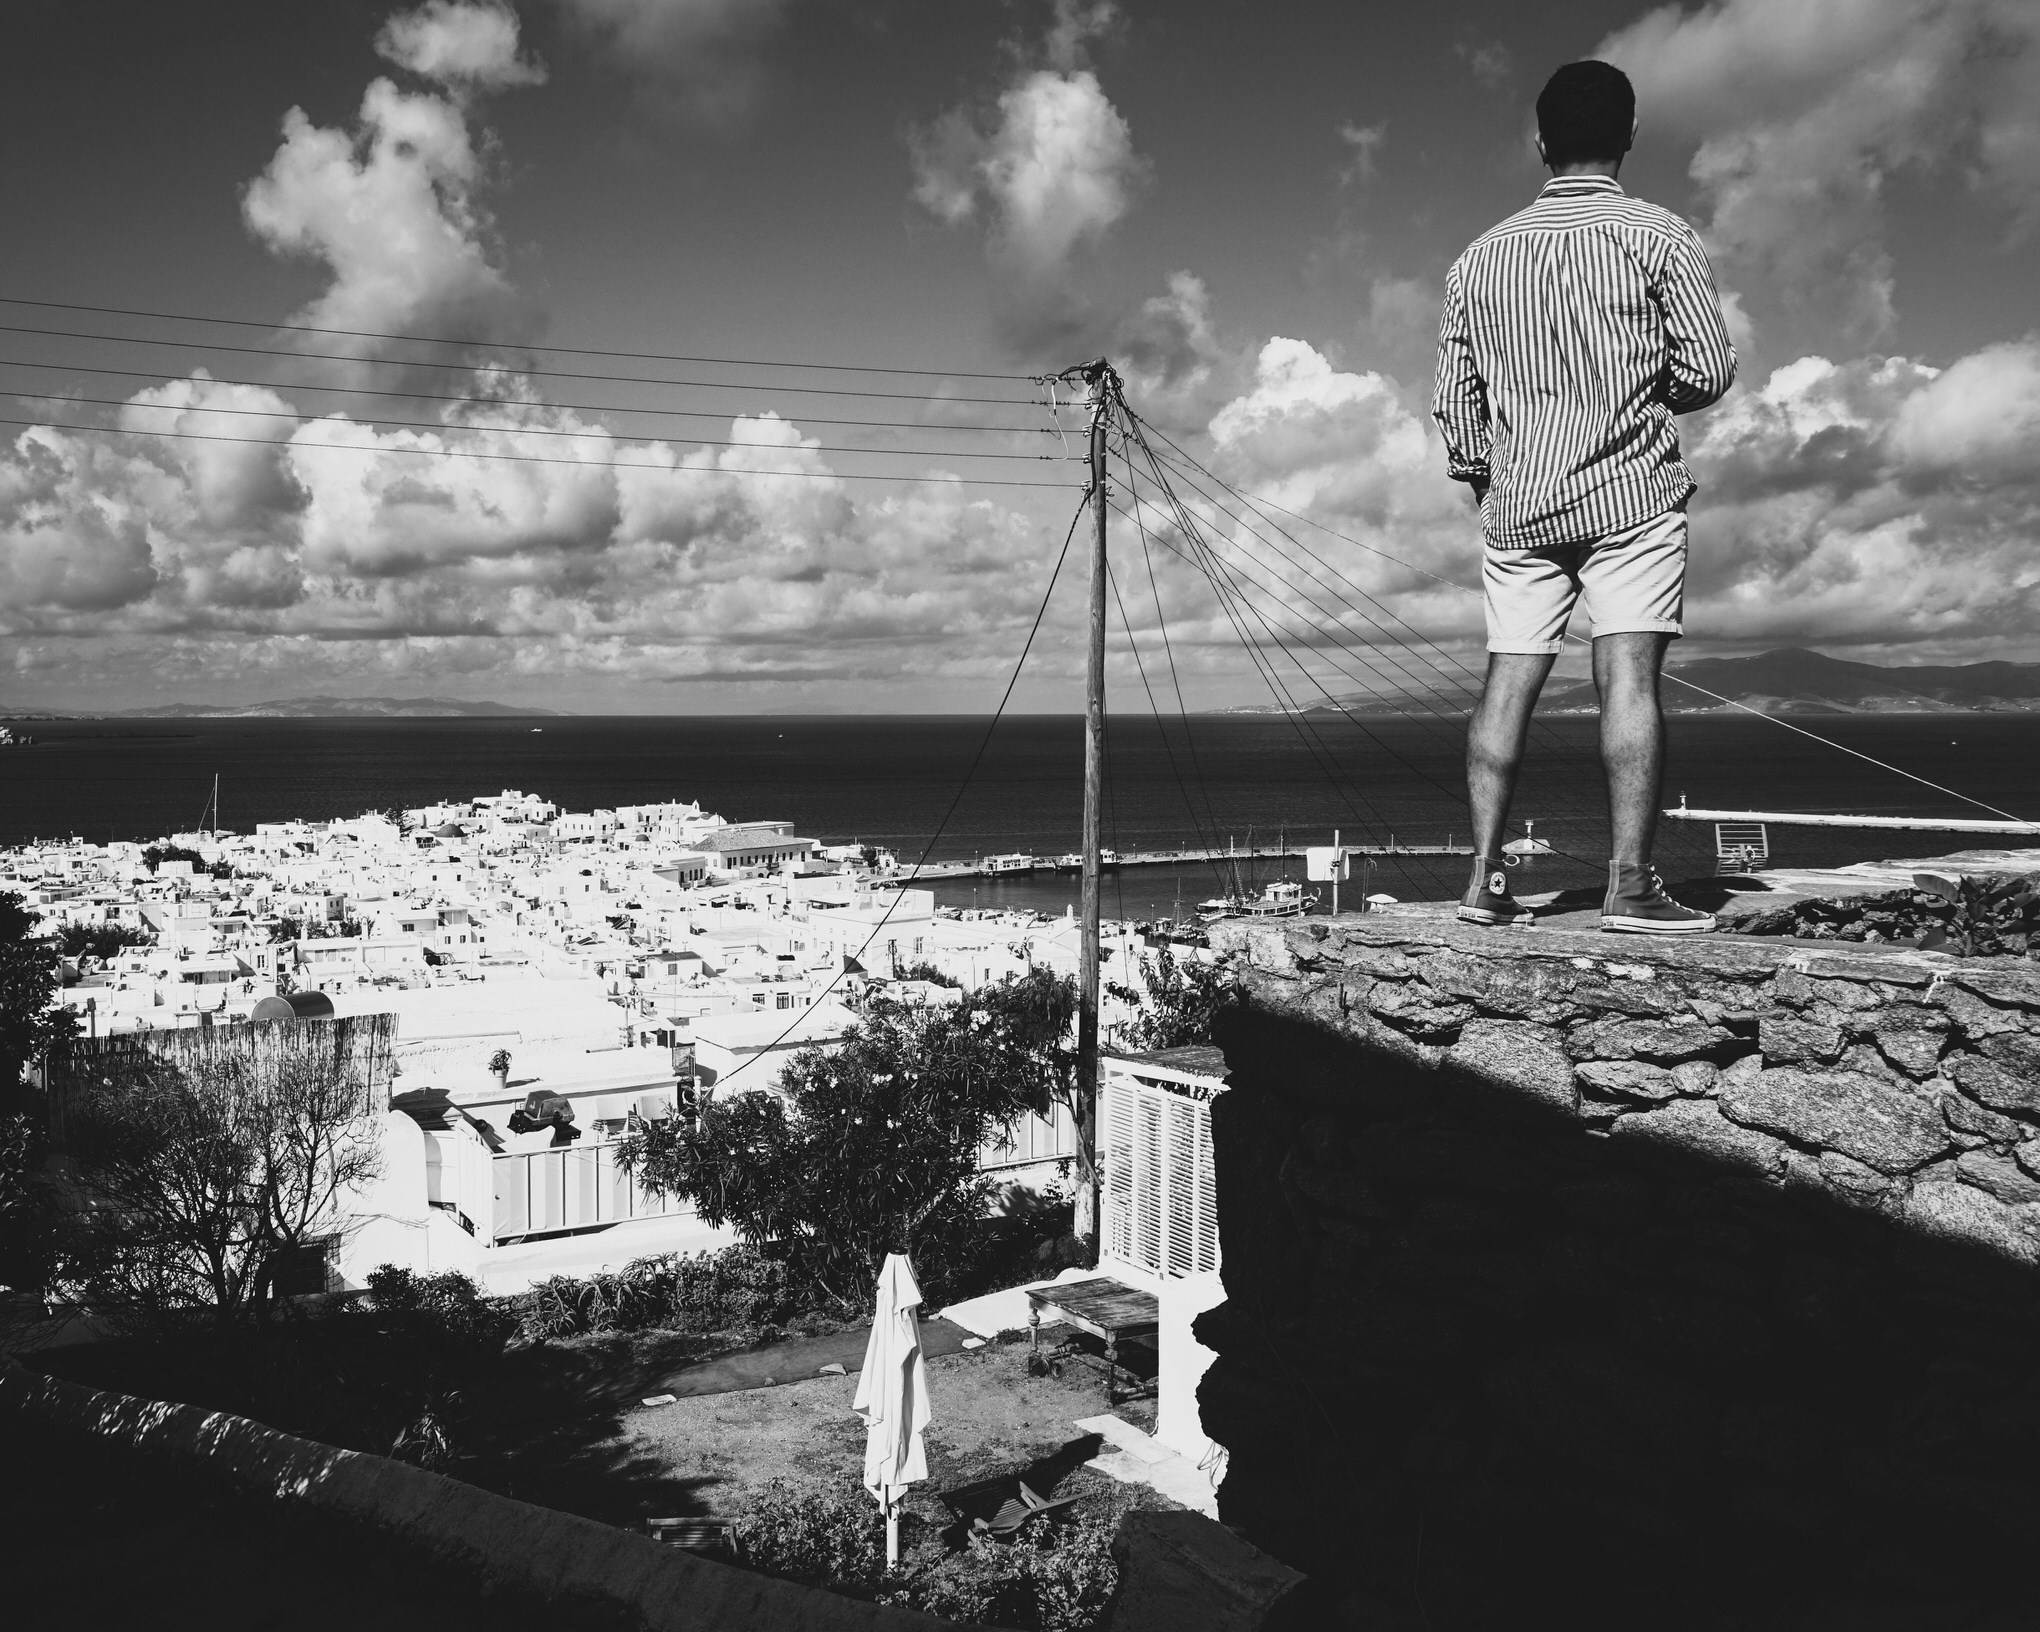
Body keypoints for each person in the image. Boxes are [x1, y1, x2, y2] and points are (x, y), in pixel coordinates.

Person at [1433, 59, 1737, 935]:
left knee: (1506, 681)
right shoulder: (1661, 236)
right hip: (1633, 492)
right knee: (1628, 678)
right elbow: (1708, 368)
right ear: (1631, 135)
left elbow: (1456, 404)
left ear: (1540, 143)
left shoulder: (1478, 259)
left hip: (1519, 502)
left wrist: (1490, 475)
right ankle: (1629, 886)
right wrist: (1634, 395)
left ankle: (1485, 882)